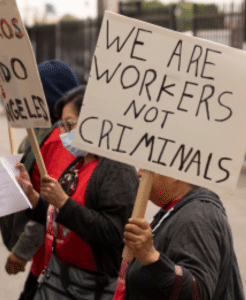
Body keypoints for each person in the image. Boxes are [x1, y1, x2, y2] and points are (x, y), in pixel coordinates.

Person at [15, 86, 139, 298]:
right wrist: (34, 199)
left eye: (69, 124)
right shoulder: (78, 162)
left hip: (92, 287)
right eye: (62, 125)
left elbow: (114, 232)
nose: (63, 132)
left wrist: (63, 203)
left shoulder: (117, 168)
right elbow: (60, 218)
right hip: (59, 278)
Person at [1, 59, 80, 299]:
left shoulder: (59, 140)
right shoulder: (40, 136)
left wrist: (21, 251)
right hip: (46, 262)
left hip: (52, 265)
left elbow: (54, 205)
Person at [123, 170, 245, 300]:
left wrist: (150, 256)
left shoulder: (197, 216)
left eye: (148, 167)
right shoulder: (178, 209)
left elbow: (197, 293)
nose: (139, 173)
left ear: (174, 173)